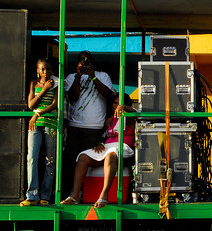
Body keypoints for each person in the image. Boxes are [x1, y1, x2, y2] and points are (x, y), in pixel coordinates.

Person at [61, 94, 136, 208]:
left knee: (110, 155)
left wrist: (125, 108)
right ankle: (75, 195)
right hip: (108, 146)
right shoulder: (109, 120)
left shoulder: (130, 116)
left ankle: (104, 195)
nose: (117, 105)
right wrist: (100, 144)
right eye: (115, 103)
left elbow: (137, 111)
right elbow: (103, 137)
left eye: (119, 103)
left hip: (124, 147)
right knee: (83, 157)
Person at [62, 51, 114, 198]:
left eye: (87, 61)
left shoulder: (103, 76)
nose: (84, 64)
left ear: (93, 62)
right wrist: (78, 76)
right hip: (75, 125)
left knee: (88, 161)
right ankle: (71, 192)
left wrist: (93, 76)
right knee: (72, 161)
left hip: (94, 127)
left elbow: (107, 95)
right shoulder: (72, 77)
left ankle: (85, 193)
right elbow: (73, 96)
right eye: (81, 61)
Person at [20, 58, 59, 206]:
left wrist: (38, 114)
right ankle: (32, 195)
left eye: (48, 69)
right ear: (38, 71)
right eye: (42, 69)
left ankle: (45, 195)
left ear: (52, 71)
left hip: (49, 124)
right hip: (34, 125)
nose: (45, 72)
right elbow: (30, 105)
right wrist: (43, 90)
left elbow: (55, 105)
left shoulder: (55, 86)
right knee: (32, 158)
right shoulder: (33, 84)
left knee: (49, 160)